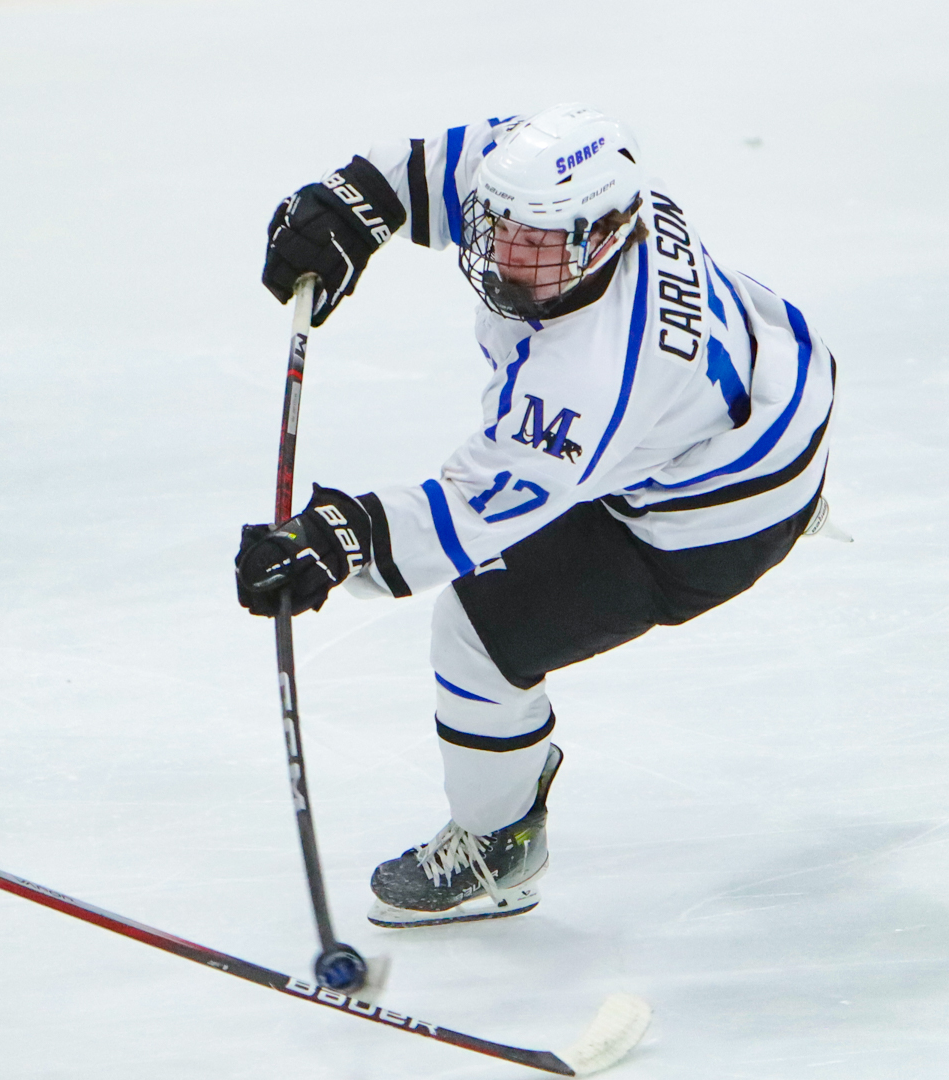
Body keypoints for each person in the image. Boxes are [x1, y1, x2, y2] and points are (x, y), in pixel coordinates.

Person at [235, 104, 844, 928]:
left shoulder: (590, 382)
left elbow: (467, 516)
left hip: (714, 518)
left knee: (482, 633)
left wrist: (337, 542)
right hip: (756, 390)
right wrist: (352, 202)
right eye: (501, 226)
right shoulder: (563, 190)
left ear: (604, 235)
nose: (502, 252)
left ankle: (497, 846)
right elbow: (447, 167)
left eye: (535, 243)